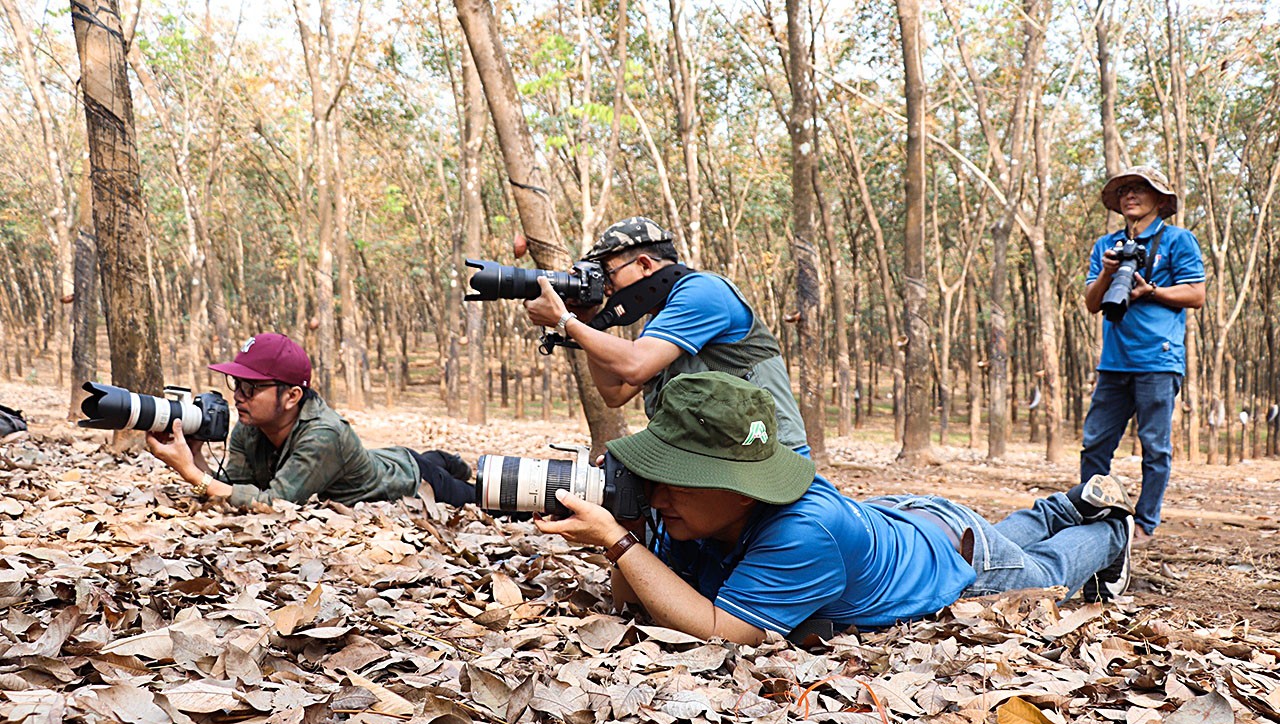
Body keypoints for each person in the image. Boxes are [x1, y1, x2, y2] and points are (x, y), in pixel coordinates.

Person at [535, 372, 1136, 646]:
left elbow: (723, 633)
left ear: (744, 488)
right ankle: (1065, 504)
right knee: (1011, 535)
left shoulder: (805, 532)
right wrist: (632, 526)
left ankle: (1108, 531)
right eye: (654, 479)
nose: (658, 494)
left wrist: (620, 544)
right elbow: (631, 598)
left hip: (958, 556)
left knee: (1046, 575)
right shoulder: (683, 510)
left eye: (679, 482)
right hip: (904, 521)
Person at [522, 217, 808, 453]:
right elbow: (615, 393)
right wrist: (590, 324)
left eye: (608, 275)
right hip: (726, 458)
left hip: (772, 456)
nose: (606, 288)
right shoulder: (661, 321)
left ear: (645, 265)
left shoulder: (703, 291)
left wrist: (565, 321)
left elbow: (635, 366)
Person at [145, 333, 475, 509]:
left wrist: (190, 473)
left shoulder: (324, 435)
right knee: (422, 459)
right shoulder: (250, 426)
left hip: (413, 480)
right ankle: (443, 459)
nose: (238, 396)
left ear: (291, 397)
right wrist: (195, 456)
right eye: (237, 384)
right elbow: (236, 488)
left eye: (251, 387)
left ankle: (446, 464)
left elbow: (275, 503)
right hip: (385, 458)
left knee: (491, 498)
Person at [1083, 166, 1206, 540]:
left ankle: (1145, 524)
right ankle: (1092, 516)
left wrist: (1150, 290)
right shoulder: (1107, 245)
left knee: (1154, 447)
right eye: (1125, 191)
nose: (1130, 196)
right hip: (1115, 361)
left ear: (1159, 199)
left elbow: (1196, 295)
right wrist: (1108, 272)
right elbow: (1092, 303)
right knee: (1095, 444)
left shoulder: (1178, 241)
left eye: (1140, 189)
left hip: (1159, 359)